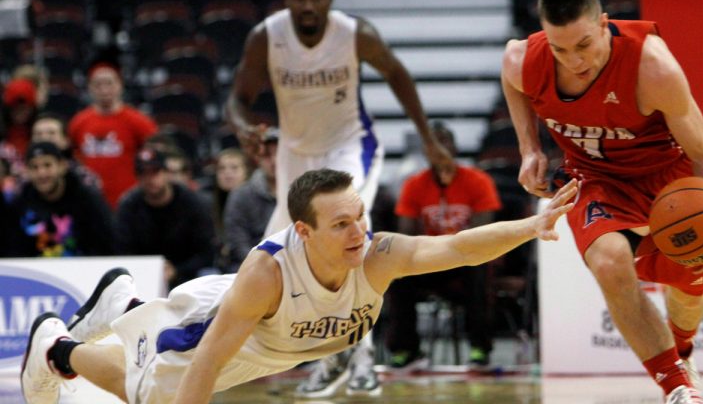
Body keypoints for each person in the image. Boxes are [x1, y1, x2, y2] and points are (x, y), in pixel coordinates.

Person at [20, 168, 578, 404]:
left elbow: (458, 247)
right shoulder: (268, 273)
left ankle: (125, 303)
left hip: (274, 349)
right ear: (303, 232)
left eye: (359, 216)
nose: (359, 231)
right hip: (219, 328)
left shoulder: (375, 257)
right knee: (151, 396)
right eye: (341, 224)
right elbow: (210, 359)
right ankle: (57, 349)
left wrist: (532, 225)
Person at [500, 0, 703, 403]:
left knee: (687, 291)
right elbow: (511, 72)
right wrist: (529, 148)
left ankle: (683, 351)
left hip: (669, 179)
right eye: (560, 49)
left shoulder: (653, 67)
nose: (574, 60)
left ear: (605, 23)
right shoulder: (525, 58)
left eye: (585, 45)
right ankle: (677, 387)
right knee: (610, 263)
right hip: (596, 179)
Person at [225, 0, 454, 396]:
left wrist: (427, 139)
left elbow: (397, 74)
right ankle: (311, 357)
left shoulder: (355, 34)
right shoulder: (266, 37)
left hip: (350, 149)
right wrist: (242, 126)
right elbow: (238, 97)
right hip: (295, 155)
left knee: (345, 239)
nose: (308, 5)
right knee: (271, 253)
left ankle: (359, 356)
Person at [386, 122, 502, 371]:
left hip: (465, 259)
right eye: (432, 143)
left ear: (455, 147)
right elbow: (405, 233)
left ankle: (479, 348)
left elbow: (482, 233)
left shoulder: (478, 181)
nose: (439, 149)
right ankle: (406, 350)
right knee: (397, 273)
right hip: (430, 260)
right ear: (425, 152)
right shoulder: (413, 184)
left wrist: (452, 248)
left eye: (444, 141)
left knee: (478, 267)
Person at [115, 146, 216, 290]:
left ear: (167, 173)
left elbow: (206, 252)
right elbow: (123, 251)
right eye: (143, 173)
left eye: (155, 172)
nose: (150, 179)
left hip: (188, 276)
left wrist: (176, 270)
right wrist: (151, 270)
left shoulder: (192, 203)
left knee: (209, 274)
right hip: (140, 277)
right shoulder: (129, 206)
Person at [68, 62, 158, 209]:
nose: (104, 89)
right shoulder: (79, 123)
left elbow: (154, 153)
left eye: (109, 83)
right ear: (90, 88)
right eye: (98, 84)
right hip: (89, 202)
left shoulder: (138, 121)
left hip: (128, 201)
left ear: (120, 85)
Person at [5, 142, 115, 257]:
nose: (41, 173)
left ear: (62, 166)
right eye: (34, 167)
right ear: (27, 171)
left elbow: (106, 244)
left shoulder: (87, 200)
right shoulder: (20, 203)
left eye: (47, 165)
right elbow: (13, 249)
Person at [223, 128, 278, 272]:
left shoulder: (302, 191)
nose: (274, 161)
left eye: (279, 154)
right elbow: (237, 242)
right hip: (251, 267)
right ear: (257, 158)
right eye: (266, 155)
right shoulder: (241, 194)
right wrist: (263, 265)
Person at [31, 116, 102, 189]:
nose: (44, 138)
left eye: (51, 133)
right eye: (38, 134)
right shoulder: (25, 175)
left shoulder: (83, 176)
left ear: (66, 141)